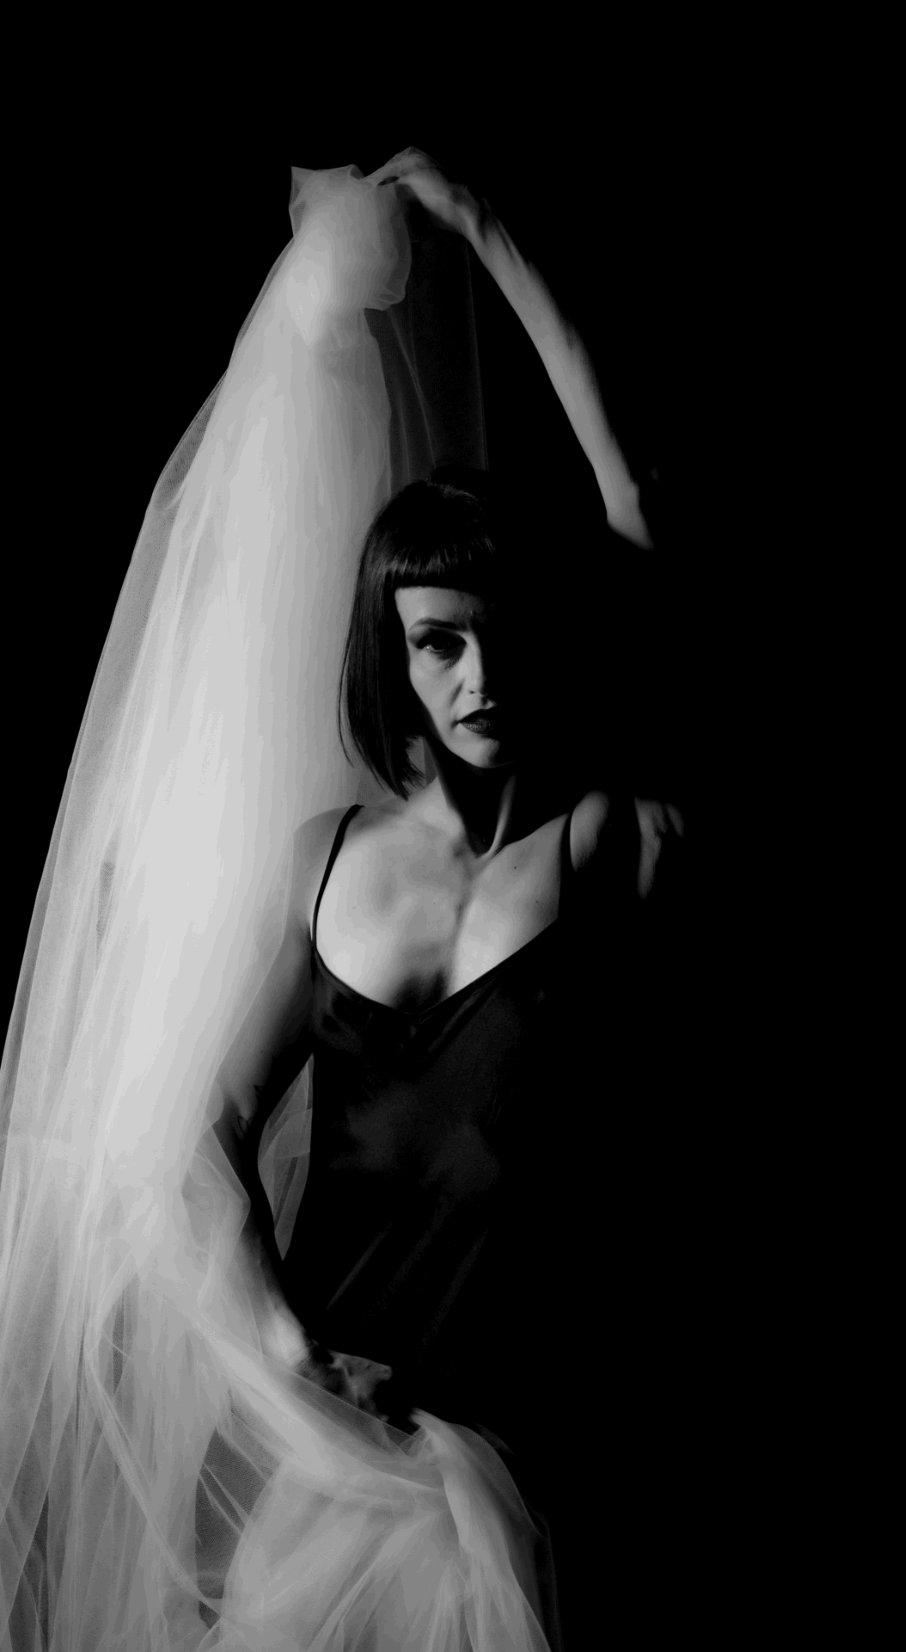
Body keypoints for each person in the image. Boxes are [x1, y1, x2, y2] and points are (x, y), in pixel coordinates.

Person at [1, 152, 685, 1651]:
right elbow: (202, 1135)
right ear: (395, 652)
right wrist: (291, 1355)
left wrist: (483, 224)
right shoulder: (322, 862)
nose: (480, 678)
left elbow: (636, 506)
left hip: (527, 1471)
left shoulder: (607, 845)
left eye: (503, 635)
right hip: (335, 1480)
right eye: (441, 644)